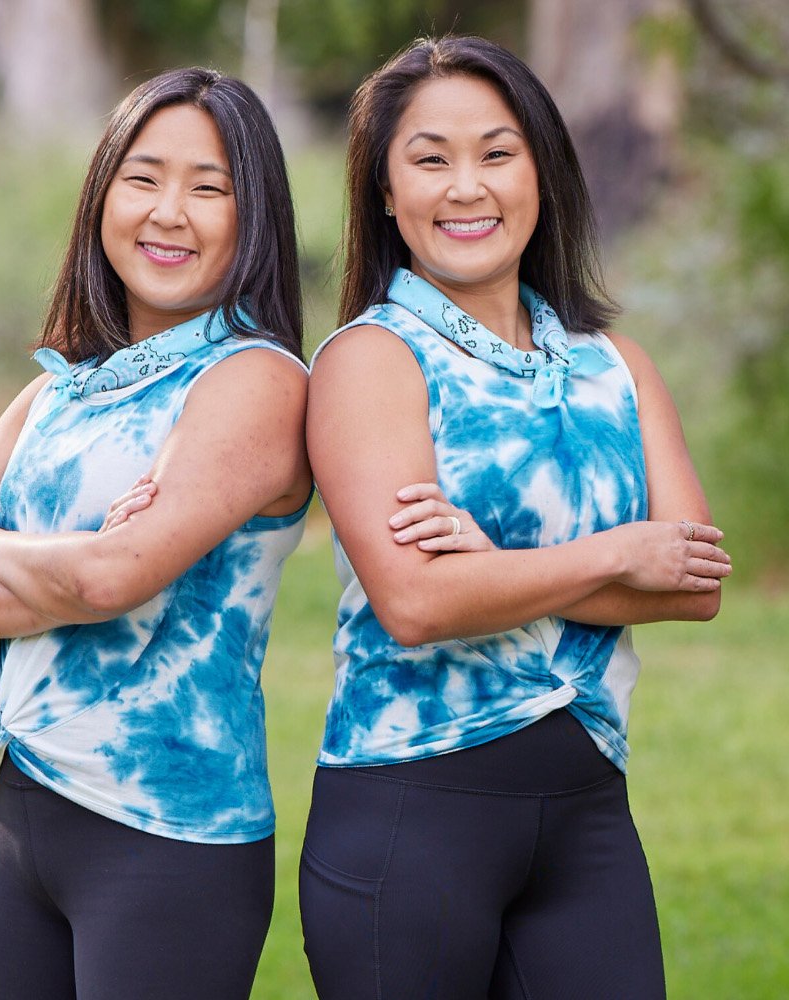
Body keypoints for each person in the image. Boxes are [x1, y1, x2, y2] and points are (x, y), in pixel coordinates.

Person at [298, 35, 730, 1000]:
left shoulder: (616, 366)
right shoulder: (370, 361)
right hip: (409, 814)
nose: (467, 188)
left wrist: (494, 570)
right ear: (384, 191)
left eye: (497, 153)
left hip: (587, 820)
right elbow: (414, 602)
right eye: (430, 158)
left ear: (542, 170)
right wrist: (614, 556)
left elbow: (694, 584)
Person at [0, 68, 310, 999]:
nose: (169, 212)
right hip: (22, 812)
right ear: (101, 199)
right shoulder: (57, 392)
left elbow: (113, 580)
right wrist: (75, 565)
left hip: (169, 836)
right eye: (143, 178)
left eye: (209, 188)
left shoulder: (257, 382)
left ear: (255, 220)